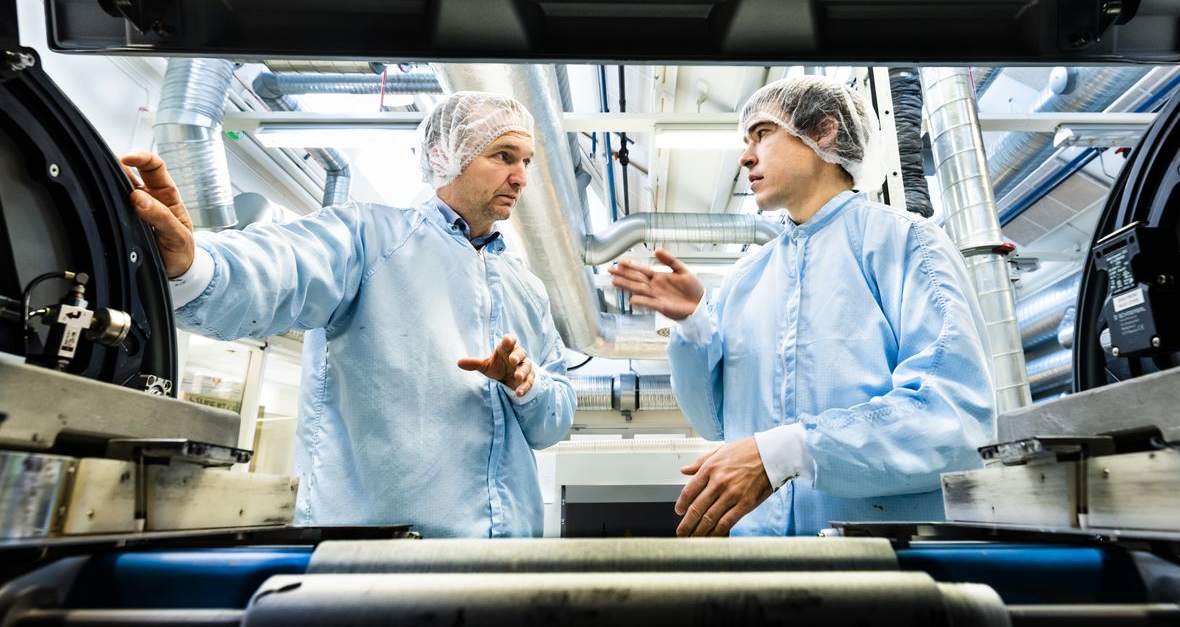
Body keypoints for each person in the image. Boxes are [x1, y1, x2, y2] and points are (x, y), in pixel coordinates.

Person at [123, 91, 576, 537]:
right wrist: (192, 264)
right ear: (445, 155)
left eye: (527, 162)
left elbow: (554, 422)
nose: (521, 178)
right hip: (380, 563)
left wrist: (526, 384)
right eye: (503, 156)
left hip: (505, 565)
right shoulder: (369, 239)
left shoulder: (527, 290)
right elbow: (281, 266)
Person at [610, 75, 995, 537]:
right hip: (761, 561)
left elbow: (951, 420)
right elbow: (712, 420)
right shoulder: (743, 281)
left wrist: (791, 451)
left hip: (877, 569)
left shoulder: (904, 243)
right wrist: (693, 325)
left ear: (824, 132)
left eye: (763, 134)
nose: (746, 155)